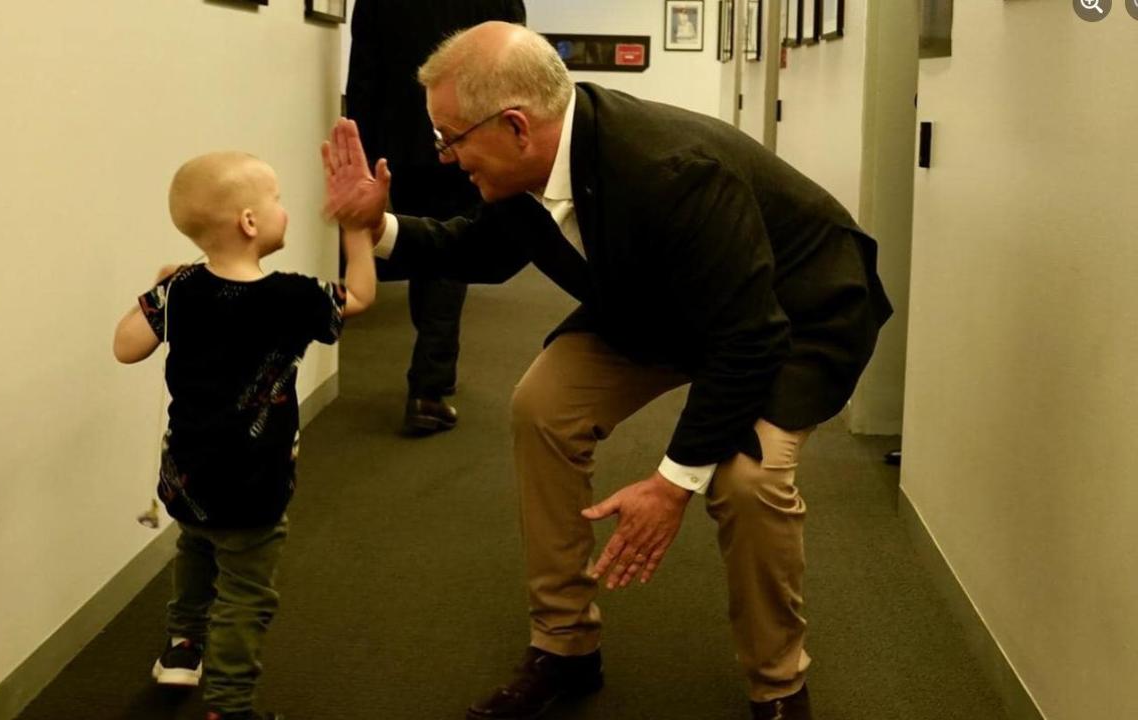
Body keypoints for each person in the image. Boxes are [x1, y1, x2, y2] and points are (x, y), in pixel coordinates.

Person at [322, 22, 891, 720]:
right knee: (543, 407)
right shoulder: (533, 161)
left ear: (515, 126)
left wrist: (672, 483)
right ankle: (564, 646)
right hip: (657, 303)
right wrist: (377, 225)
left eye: (450, 138)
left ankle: (778, 684)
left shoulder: (669, 170)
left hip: (790, 315)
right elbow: (482, 250)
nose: (444, 157)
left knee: (747, 479)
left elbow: (747, 338)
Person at [113, 151, 375, 720]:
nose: (286, 209)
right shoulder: (293, 297)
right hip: (253, 484)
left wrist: (161, 291)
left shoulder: (181, 291)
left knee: (196, 546)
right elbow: (359, 296)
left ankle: (183, 648)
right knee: (245, 595)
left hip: (186, 477)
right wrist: (357, 232)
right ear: (251, 223)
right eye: (277, 199)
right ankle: (230, 708)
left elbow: (125, 346)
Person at [345, 0, 526, 434]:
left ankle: (432, 368)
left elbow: (365, 81)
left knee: (426, 246)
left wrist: (368, 160)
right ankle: (429, 384)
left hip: (403, 145)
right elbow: (515, 70)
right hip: (473, 135)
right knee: (451, 251)